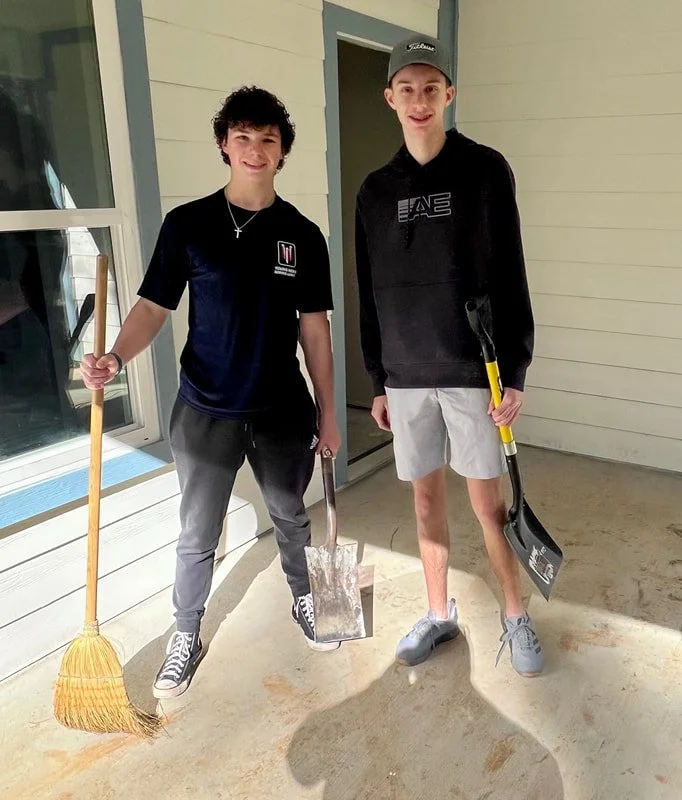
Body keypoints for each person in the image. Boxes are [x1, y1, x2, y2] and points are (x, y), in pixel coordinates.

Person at [81, 86, 342, 699]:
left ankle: (307, 600)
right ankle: (186, 633)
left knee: (290, 515)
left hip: (281, 408)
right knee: (198, 532)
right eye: (243, 137)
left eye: (268, 140)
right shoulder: (188, 225)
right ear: (225, 144)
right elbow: (152, 306)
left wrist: (330, 413)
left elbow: (314, 330)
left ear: (282, 153)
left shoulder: (302, 235)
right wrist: (116, 355)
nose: (256, 150)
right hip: (204, 411)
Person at [355, 36, 543, 676]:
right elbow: (369, 289)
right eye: (405, 90)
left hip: (473, 370)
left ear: (449, 95)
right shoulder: (375, 192)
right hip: (407, 377)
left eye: (430, 89)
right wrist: (377, 379)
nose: (418, 102)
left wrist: (513, 370)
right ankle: (440, 614)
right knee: (425, 504)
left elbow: (511, 273)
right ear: (389, 98)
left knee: (488, 507)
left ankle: (516, 618)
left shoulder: (486, 171)